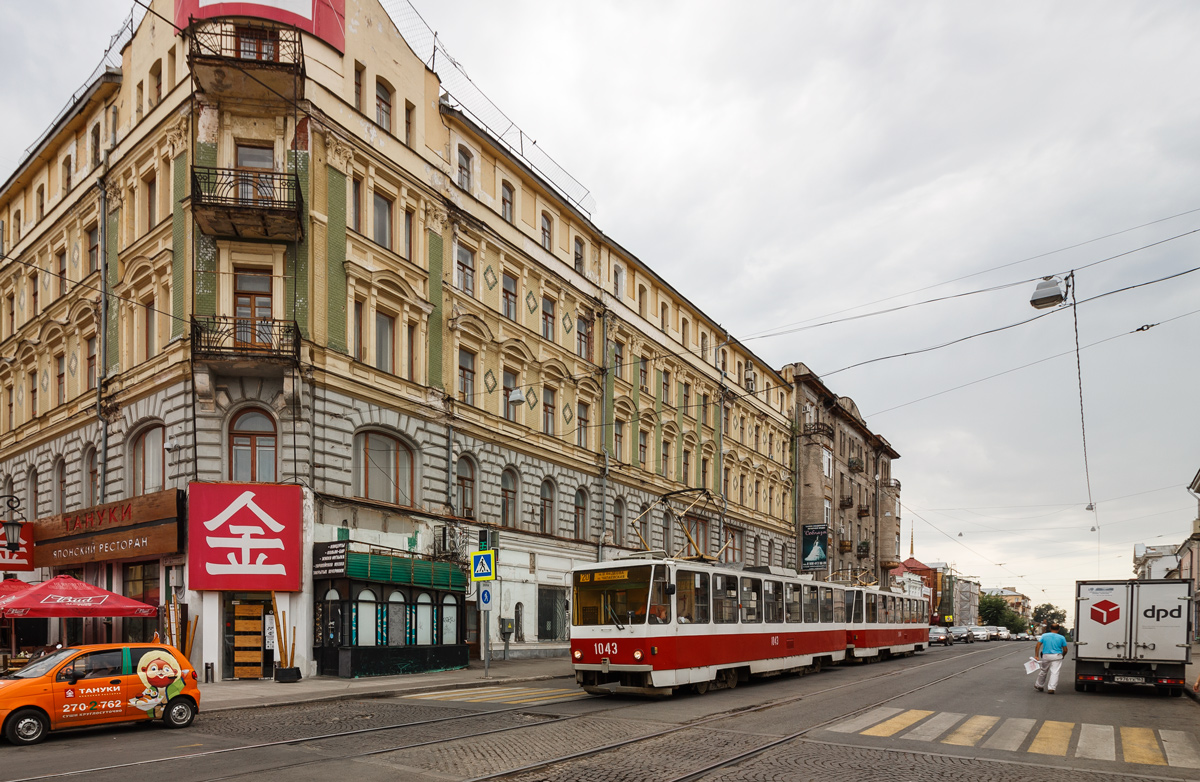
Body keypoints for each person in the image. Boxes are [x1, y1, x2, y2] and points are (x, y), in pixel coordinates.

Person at [1034, 623, 1068, 694]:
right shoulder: (1061, 637)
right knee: (1055, 672)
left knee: (1043, 670)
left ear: (1050, 628)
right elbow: (1065, 649)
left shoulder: (1044, 636)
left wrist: (1036, 655)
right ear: (1058, 629)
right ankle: (1051, 688)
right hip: (1057, 656)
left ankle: (1039, 685)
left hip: (1046, 655)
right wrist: (1063, 655)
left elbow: (1037, 646)